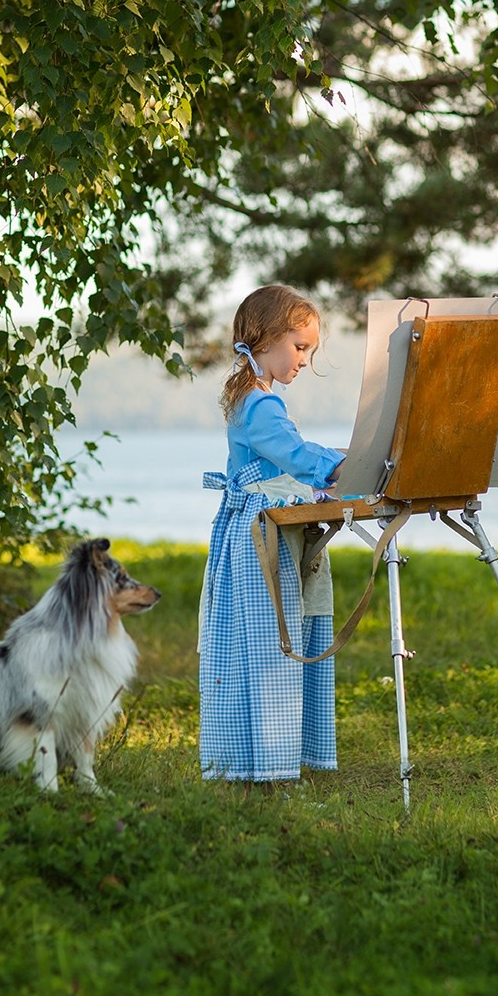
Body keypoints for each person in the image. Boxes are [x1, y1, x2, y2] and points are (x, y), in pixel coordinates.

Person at [199, 284, 345, 784]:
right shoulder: (260, 405)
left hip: (268, 532)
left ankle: (269, 757)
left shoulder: (258, 398)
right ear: (263, 339)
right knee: (273, 650)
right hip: (262, 541)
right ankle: (273, 764)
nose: (304, 360)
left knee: (272, 645)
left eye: (310, 350)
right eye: (299, 346)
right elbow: (295, 455)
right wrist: (346, 466)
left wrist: (328, 466)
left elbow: (292, 454)